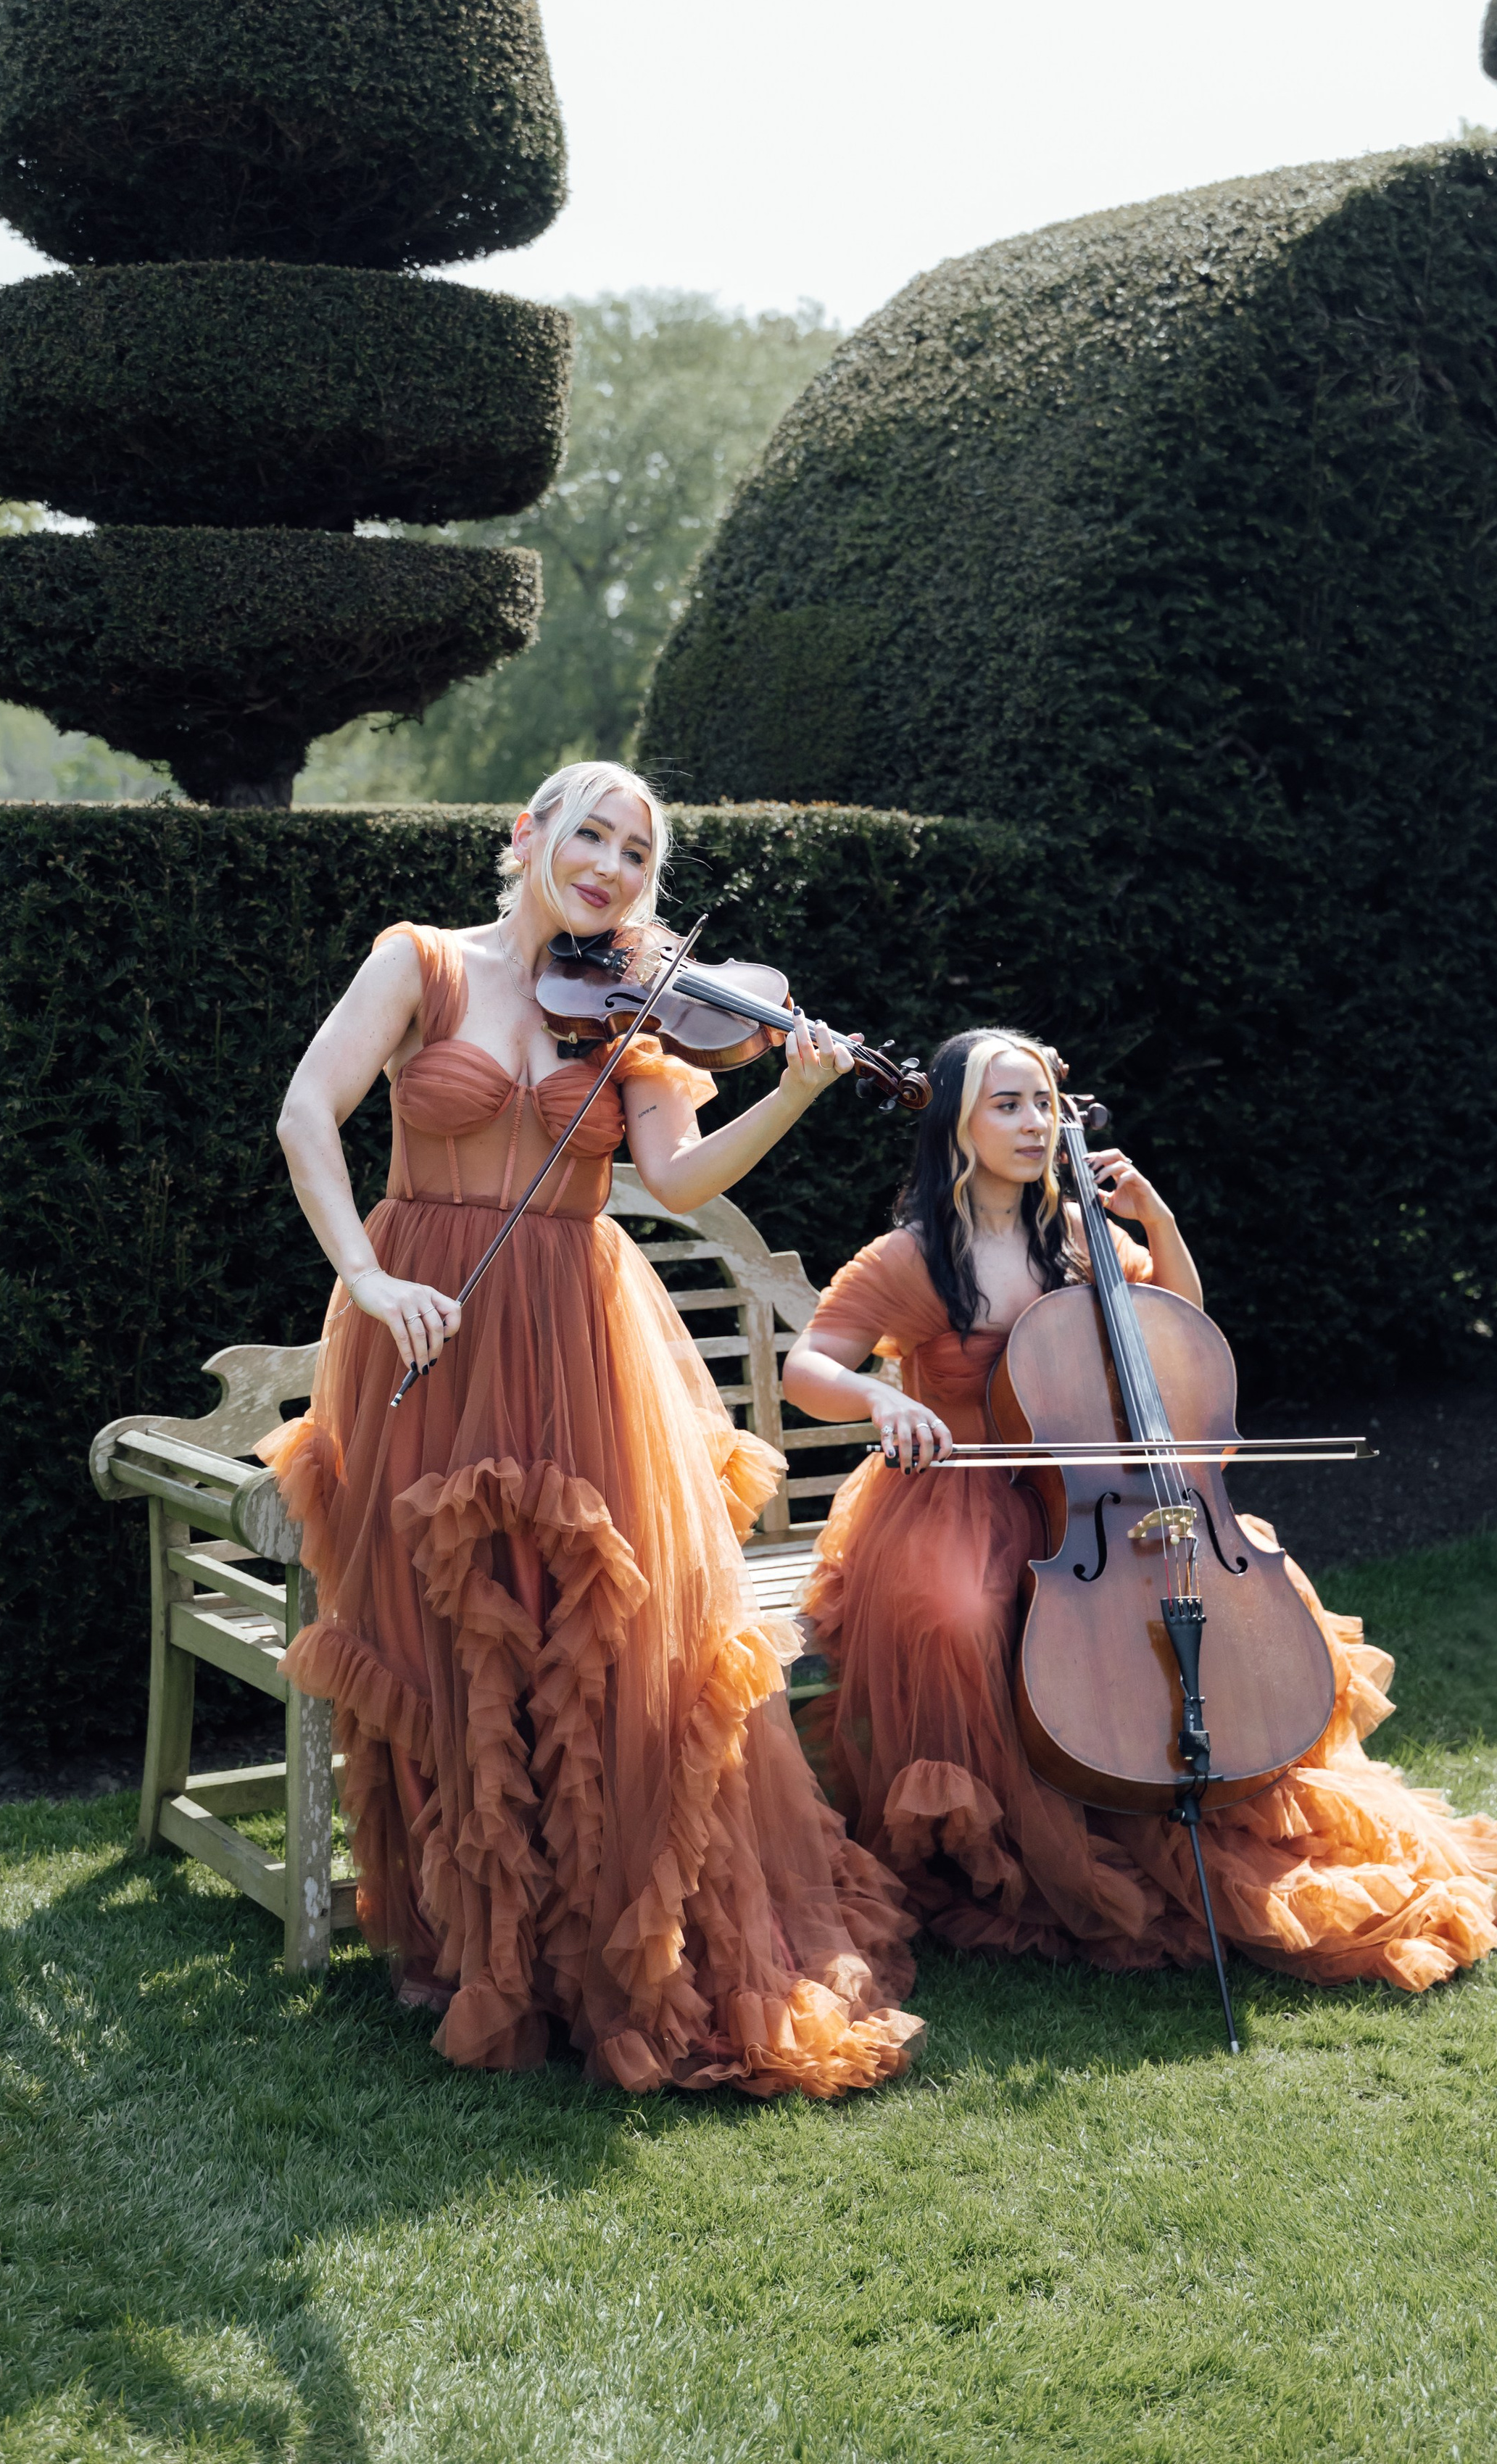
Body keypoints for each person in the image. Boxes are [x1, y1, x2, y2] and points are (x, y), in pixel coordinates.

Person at [262, 760, 923, 2093]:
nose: (612, 867)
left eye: (637, 853)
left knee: (601, 1643)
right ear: (529, 836)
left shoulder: (634, 1009)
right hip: (423, 1323)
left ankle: (605, 1953)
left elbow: (677, 1181)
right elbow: (305, 1114)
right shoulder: (421, 964)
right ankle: (482, 1945)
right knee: (454, 1631)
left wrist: (789, 1091)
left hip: (578, 1328)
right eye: (593, 836)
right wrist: (370, 1278)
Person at [780, 1027, 1497, 1991]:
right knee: (957, 1616)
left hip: (1101, 1502)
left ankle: (1196, 1792)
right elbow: (810, 1368)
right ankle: (1000, 1846)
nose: (1035, 1122)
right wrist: (884, 1397)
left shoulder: (1080, 1236)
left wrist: (1156, 1219)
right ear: (955, 1120)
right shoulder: (911, 1258)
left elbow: (1176, 1328)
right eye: (1008, 1103)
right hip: (966, 1497)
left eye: (1044, 1101)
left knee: (1255, 1578)